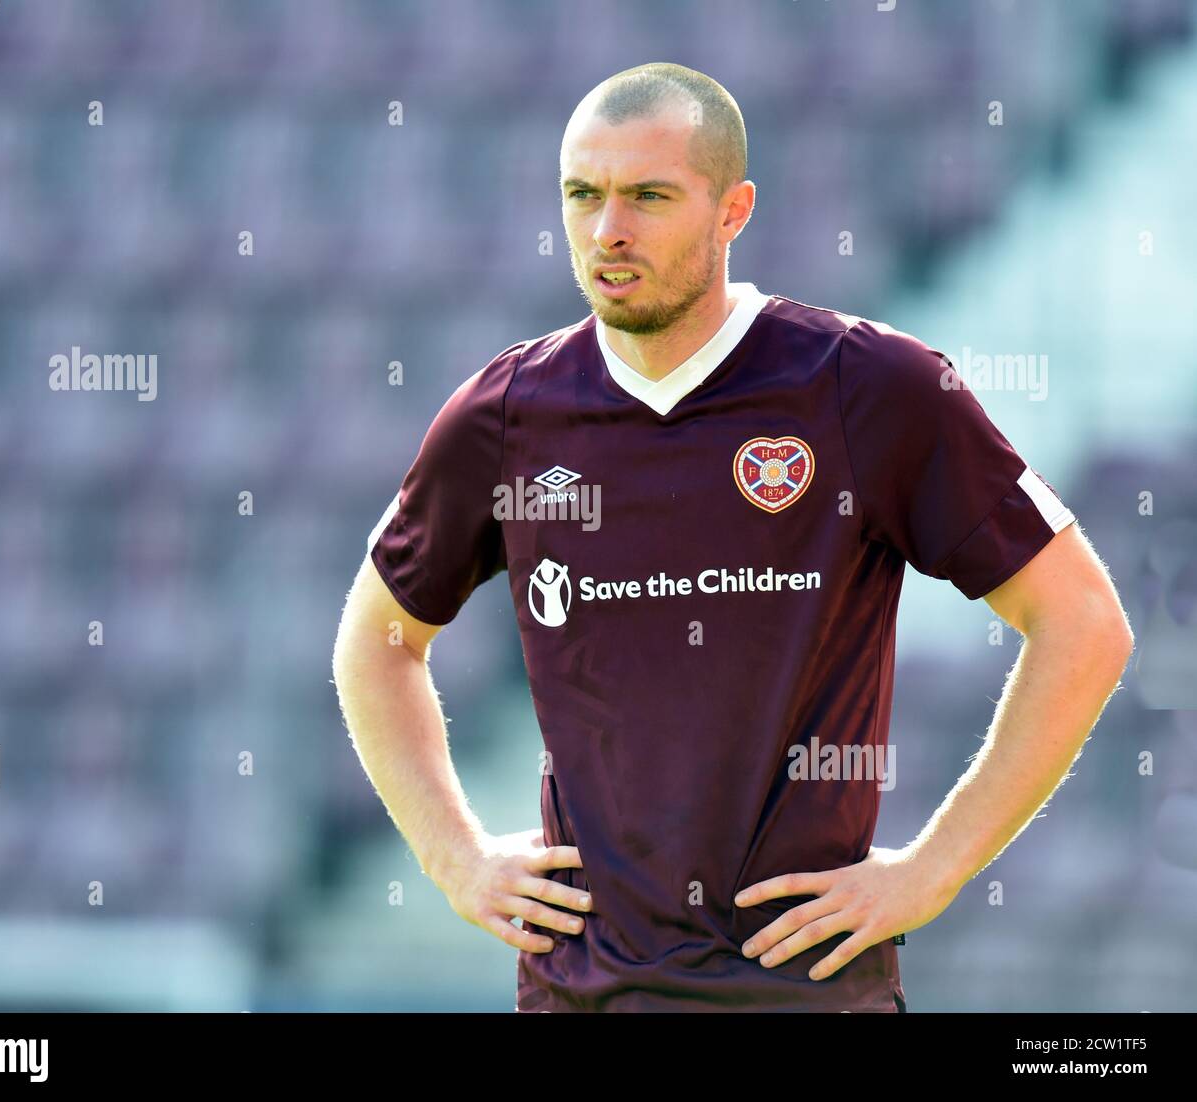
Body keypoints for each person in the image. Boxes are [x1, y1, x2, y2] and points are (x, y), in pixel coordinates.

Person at [332, 62, 1134, 1012]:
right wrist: (455, 857)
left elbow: (1083, 622)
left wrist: (934, 870)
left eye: (648, 197)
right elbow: (375, 648)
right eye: (582, 196)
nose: (607, 230)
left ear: (733, 210)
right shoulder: (507, 414)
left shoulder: (865, 387)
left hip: (812, 996)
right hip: (583, 995)